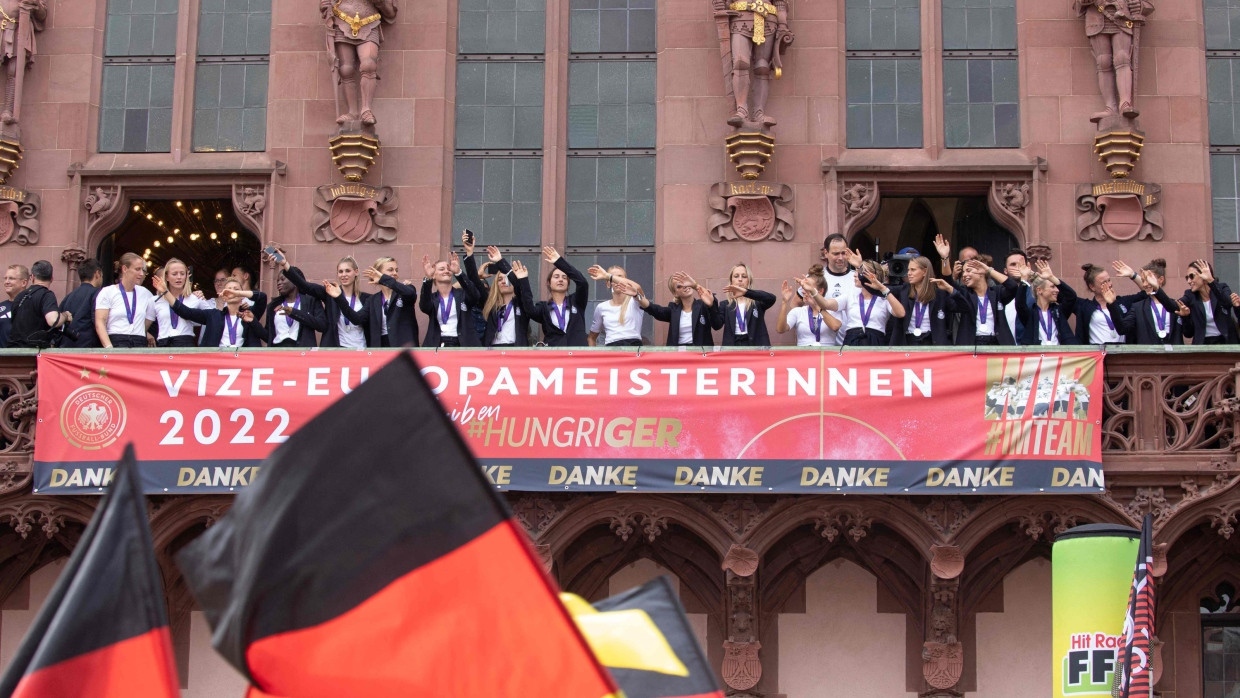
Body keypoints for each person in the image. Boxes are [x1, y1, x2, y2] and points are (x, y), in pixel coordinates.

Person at [278, 254, 369, 348]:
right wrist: (285, 263)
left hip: (360, 348)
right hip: (336, 349)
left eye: (348, 271)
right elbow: (305, 286)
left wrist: (339, 297)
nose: (344, 275)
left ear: (356, 272)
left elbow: (357, 319)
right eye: (340, 271)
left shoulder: (367, 299)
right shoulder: (329, 293)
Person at [816, 255, 906, 346]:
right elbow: (826, 304)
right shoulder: (850, 295)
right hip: (852, 339)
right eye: (856, 272)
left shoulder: (884, 297)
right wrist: (813, 292)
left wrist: (884, 289)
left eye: (859, 272)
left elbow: (900, 313)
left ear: (872, 276)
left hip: (875, 340)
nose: (855, 275)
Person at [155, 275, 264, 349]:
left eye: (236, 289)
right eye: (229, 289)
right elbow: (185, 312)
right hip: (216, 364)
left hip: (243, 363)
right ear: (223, 296)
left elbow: (262, 298)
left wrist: (241, 293)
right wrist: (165, 292)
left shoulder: (249, 314)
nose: (232, 292)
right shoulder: (213, 315)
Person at [340, 256, 419, 347]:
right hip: (381, 348)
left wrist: (384, 279)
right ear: (378, 273)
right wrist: (339, 298)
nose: (395, 273)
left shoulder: (405, 290)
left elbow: (411, 293)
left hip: (403, 348)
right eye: (390, 270)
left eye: (396, 270)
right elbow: (357, 319)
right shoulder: (373, 300)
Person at [526, 246, 590, 347]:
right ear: (549, 283)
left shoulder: (576, 301)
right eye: (556, 277)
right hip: (554, 357)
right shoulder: (543, 307)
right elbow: (529, 309)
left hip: (577, 355)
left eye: (564, 278)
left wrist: (559, 262)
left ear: (568, 284)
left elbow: (582, 283)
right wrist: (523, 280)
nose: (560, 280)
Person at [1111, 259, 1187, 344]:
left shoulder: (1175, 305)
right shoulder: (1138, 308)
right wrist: (1111, 304)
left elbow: (1188, 332)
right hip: (1149, 355)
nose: (1145, 284)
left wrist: (1186, 317)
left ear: (1161, 279)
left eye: (1149, 279)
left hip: (1174, 355)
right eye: (1143, 281)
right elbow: (1122, 329)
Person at [947, 259, 1021, 346]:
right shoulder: (965, 293)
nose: (964, 275)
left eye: (968, 271)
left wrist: (988, 270)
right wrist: (945, 258)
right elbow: (949, 285)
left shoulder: (997, 292)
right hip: (972, 345)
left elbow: (1012, 286)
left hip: (997, 344)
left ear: (981, 272)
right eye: (963, 272)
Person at [420, 245, 482, 347]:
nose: (446, 271)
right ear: (434, 274)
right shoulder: (433, 298)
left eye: (448, 269)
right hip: (438, 344)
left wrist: (458, 273)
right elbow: (424, 306)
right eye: (441, 269)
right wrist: (428, 279)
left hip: (462, 343)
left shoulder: (462, 294)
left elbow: (475, 296)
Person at [94, 253, 157, 348]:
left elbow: (152, 316)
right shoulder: (108, 292)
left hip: (139, 343)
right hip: (116, 341)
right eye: (137, 269)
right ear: (125, 269)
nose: (141, 273)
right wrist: (108, 347)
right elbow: (100, 322)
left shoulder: (145, 293)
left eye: (142, 270)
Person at [888, 256, 953, 346]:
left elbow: (963, 307)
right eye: (908, 270)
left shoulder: (939, 292)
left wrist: (950, 289)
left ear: (925, 271)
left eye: (913, 270)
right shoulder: (904, 290)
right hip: (908, 342)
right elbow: (878, 290)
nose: (908, 273)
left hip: (931, 343)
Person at [645, 271, 718, 347]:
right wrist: (638, 297)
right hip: (679, 354)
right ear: (675, 293)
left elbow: (717, 324)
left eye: (686, 283)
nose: (685, 286)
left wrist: (696, 286)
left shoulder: (703, 306)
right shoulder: (673, 309)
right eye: (679, 286)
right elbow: (655, 310)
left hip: (700, 354)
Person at [151, 258, 213, 348]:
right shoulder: (155, 300)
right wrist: (148, 335)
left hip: (186, 344)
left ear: (186, 276)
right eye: (174, 274)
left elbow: (213, 317)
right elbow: (143, 325)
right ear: (167, 277)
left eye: (182, 274)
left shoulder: (196, 298)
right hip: (164, 344)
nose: (179, 277)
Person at [1015, 260, 1079, 346]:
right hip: (1038, 357)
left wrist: (1051, 277)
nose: (1057, 290)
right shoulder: (1031, 314)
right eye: (1052, 287)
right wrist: (1023, 279)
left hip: (1060, 356)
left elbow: (1071, 297)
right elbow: (1020, 305)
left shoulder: (1059, 311)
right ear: (1039, 290)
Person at [8, 260, 69, 348]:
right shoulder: (46, 295)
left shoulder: (19, 296)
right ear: (52, 278)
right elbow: (53, 321)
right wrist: (65, 315)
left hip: (12, 353)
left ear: (32, 277)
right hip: (33, 353)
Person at [712, 262, 776, 346]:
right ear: (731, 280)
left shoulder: (757, 303)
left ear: (749, 280)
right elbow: (716, 325)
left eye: (744, 276)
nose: (740, 279)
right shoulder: (725, 304)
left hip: (754, 346)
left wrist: (746, 292)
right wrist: (711, 305)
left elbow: (771, 298)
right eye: (736, 276)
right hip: (733, 346)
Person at [479, 248, 533, 348]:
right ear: (496, 284)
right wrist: (478, 276)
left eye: (507, 279)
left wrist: (500, 261)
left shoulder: (521, 303)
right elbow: (472, 289)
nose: (503, 282)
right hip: (493, 351)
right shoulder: (491, 305)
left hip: (515, 350)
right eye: (500, 279)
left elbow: (522, 289)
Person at [1179, 259, 1239, 345]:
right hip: (1203, 344)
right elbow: (1175, 304)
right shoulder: (1190, 295)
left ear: (1203, 275)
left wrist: (1210, 280)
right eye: (1187, 278)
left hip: (1225, 342)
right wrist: (1157, 290)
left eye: (1191, 276)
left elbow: (1226, 303)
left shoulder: (1222, 288)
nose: (1189, 281)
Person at [586, 265, 646, 347]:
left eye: (620, 278)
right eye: (613, 279)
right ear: (608, 284)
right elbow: (591, 337)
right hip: (612, 350)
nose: (617, 281)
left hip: (634, 348)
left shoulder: (636, 301)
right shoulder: (602, 307)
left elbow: (638, 288)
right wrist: (593, 358)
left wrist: (608, 276)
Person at [1075, 263, 1134, 345]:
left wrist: (1133, 275)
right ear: (1092, 287)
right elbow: (1066, 297)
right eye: (1104, 283)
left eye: (1109, 280)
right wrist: (1051, 278)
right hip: (1097, 354)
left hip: (1122, 353)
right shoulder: (1085, 306)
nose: (1109, 285)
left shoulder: (1122, 302)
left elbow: (1146, 294)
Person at [776, 274, 842, 347]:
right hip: (805, 355)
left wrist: (817, 306)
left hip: (827, 355)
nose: (803, 292)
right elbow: (780, 329)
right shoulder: (798, 311)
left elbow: (835, 326)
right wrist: (784, 302)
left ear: (820, 291)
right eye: (802, 288)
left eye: (807, 287)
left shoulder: (831, 310)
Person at [265, 270, 327, 348]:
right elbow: (268, 336)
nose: (279, 283)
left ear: (295, 280)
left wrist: (293, 312)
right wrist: (253, 321)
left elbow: (322, 325)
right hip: (278, 352)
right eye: (277, 281)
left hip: (302, 352)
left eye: (282, 279)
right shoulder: (273, 305)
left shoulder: (311, 300)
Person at [819, 234, 856, 345]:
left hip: (851, 343)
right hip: (823, 342)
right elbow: (796, 304)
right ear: (826, 253)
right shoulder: (816, 277)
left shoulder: (857, 278)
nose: (840, 258)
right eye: (836, 254)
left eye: (843, 253)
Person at [58, 259, 103, 348]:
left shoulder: (69, 296)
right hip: (88, 349)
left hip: (66, 347)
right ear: (97, 273)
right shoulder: (98, 293)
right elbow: (98, 322)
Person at [0, 264, 28, 348]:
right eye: (5, 278)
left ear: (24, 282)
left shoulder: (32, 305)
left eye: (11, 278)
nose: (6, 282)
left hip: (25, 358)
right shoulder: (1, 307)